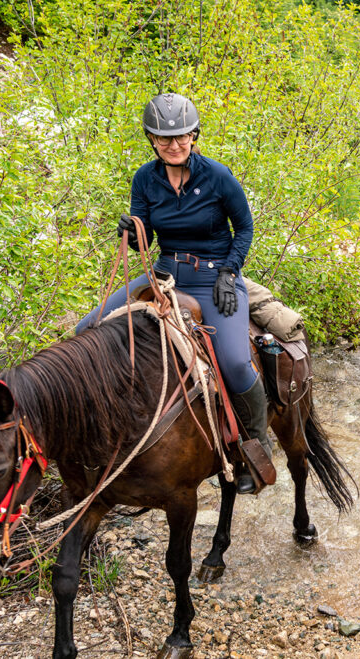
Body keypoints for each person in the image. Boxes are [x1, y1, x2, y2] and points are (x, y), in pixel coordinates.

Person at [76, 93, 270, 494]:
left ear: (194, 135)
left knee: (234, 362)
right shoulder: (144, 179)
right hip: (164, 275)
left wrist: (229, 272)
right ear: (151, 139)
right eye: (164, 139)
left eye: (181, 137)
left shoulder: (218, 176)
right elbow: (143, 243)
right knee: (86, 330)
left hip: (214, 277)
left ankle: (257, 444)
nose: (174, 145)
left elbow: (245, 227)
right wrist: (131, 233)